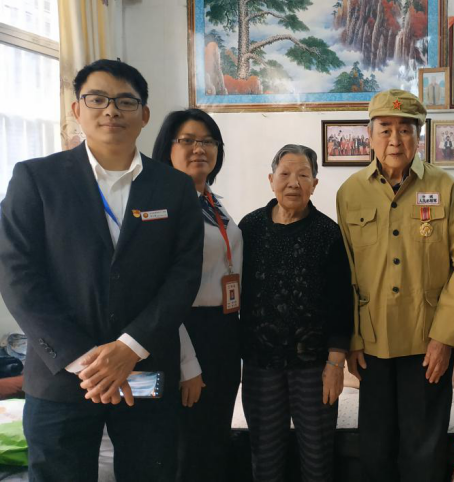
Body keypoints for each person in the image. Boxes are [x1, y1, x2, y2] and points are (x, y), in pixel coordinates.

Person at [0, 59, 203, 481]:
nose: (111, 110)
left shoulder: (174, 187)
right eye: (97, 99)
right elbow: (17, 275)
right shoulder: (36, 178)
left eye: (126, 101)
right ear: (77, 109)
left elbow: (183, 276)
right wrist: (84, 360)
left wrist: (129, 347)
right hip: (61, 376)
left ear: (144, 114)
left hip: (145, 369)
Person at [337, 89, 454, 482]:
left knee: (425, 448)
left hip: (427, 341)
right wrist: (352, 338)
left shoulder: (446, 188)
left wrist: (444, 338)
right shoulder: (350, 192)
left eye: (405, 129)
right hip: (372, 343)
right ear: (369, 135)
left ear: (419, 136)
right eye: (385, 129)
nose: (395, 140)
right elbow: (345, 272)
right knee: (376, 448)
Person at [240, 144, 353, 482]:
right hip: (260, 365)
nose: (294, 182)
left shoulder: (328, 233)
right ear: (271, 179)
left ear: (314, 184)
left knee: (317, 460)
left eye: (303, 175)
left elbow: (341, 301)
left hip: (314, 367)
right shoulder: (249, 228)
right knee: (265, 459)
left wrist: (336, 363)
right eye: (285, 174)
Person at [150, 108, 243, 482]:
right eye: (187, 140)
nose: (199, 149)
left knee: (215, 438)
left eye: (208, 141)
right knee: (188, 446)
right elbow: (160, 294)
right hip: (186, 331)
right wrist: (187, 365)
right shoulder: (161, 208)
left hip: (223, 331)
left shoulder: (211, 202)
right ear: (168, 148)